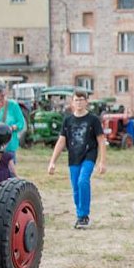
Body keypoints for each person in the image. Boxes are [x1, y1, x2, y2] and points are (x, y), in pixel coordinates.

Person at [47, 90, 108, 229]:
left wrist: (102, 161)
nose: (79, 102)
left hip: (89, 155)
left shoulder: (93, 120)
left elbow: (101, 141)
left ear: (86, 102)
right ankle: (79, 214)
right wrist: (52, 162)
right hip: (73, 157)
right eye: (76, 100)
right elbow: (61, 141)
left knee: (83, 181)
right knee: (75, 188)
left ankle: (83, 216)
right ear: (72, 102)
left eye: (82, 100)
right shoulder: (68, 120)